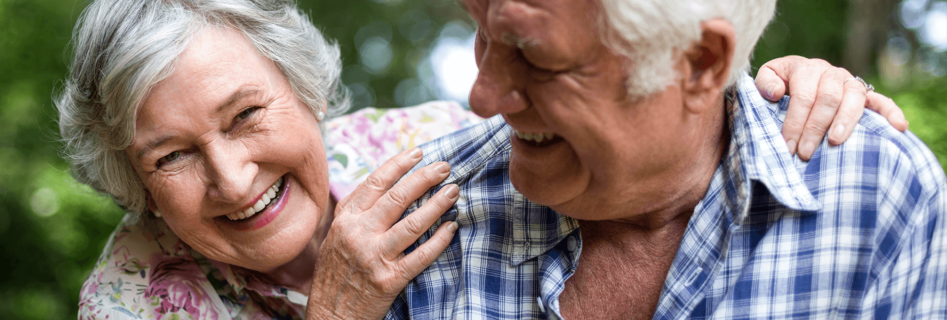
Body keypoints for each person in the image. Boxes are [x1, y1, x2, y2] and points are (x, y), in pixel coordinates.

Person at [59, 0, 910, 319]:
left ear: (305, 87)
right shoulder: (132, 299)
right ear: (135, 184)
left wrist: (765, 87)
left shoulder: (438, 152)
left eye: (247, 115)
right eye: (170, 156)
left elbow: (638, 120)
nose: (233, 177)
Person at [314, 0, 945, 319]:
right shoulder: (415, 227)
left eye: (534, 55)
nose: (482, 97)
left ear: (698, 64)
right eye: (482, 30)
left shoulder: (875, 197)